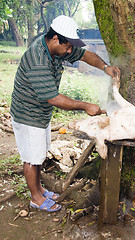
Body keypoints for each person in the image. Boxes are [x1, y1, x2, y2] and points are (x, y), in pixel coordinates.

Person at [10, 15, 120, 212]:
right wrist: (86, 106)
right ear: (55, 39)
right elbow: (53, 98)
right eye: (68, 46)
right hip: (27, 114)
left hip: (40, 113)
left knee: (38, 154)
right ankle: (35, 198)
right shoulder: (38, 58)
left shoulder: (58, 48)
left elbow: (85, 55)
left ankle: (40, 189)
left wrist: (105, 67)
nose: (70, 51)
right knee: (30, 157)